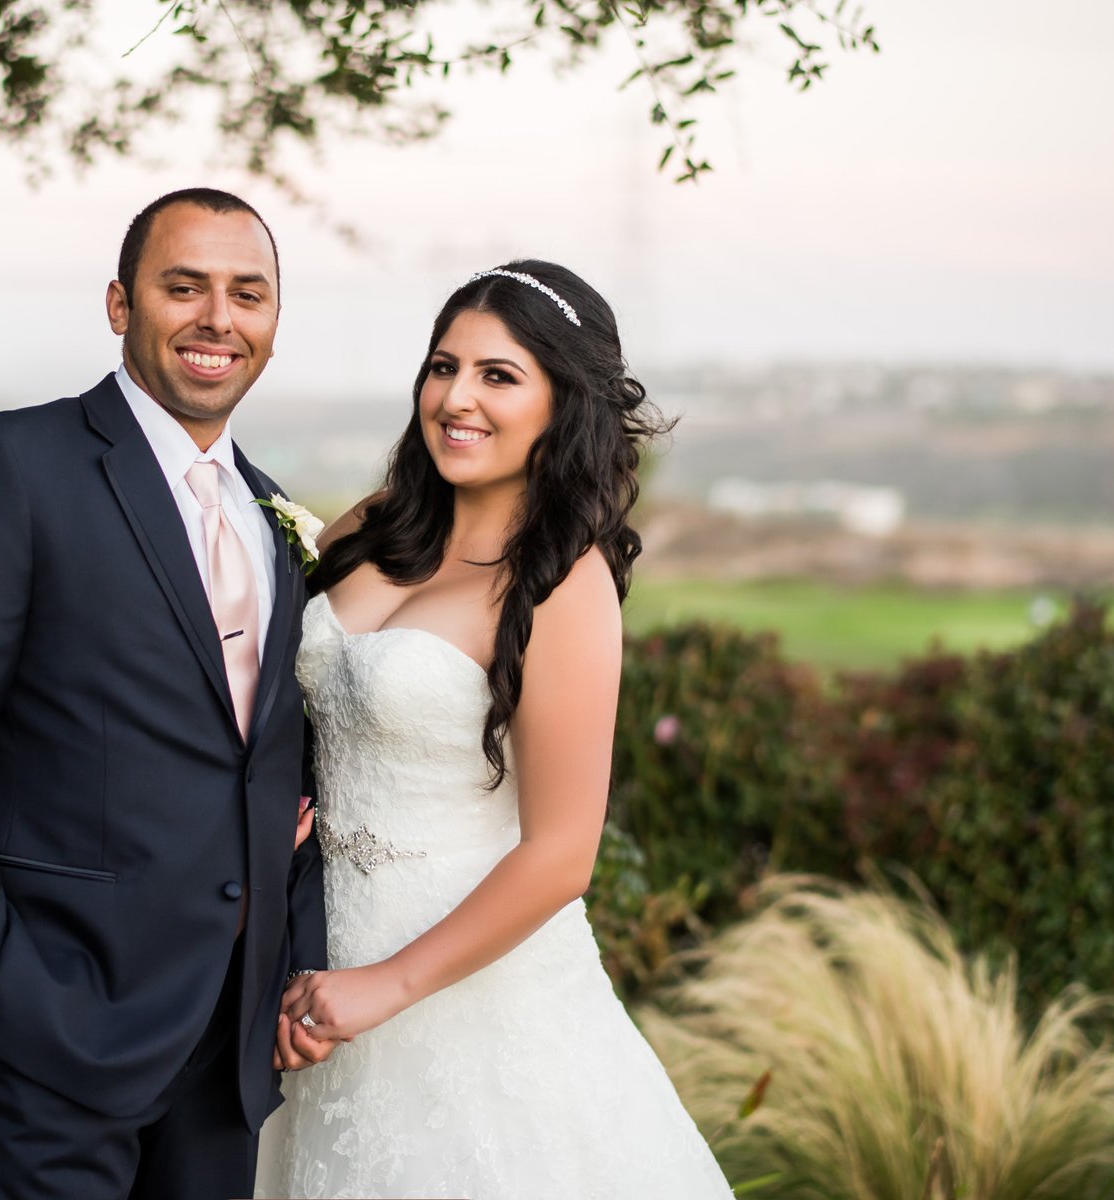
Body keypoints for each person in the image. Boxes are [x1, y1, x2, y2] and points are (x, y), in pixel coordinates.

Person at [0, 187, 331, 1200]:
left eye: (247, 294)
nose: (218, 318)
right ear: (121, 304)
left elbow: (271, 764)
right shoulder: (10, 466)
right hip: (52, 1020)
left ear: (273, 321)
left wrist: (294, 957)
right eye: (184, 287)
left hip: (228, 1041)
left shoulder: (273, 512)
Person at [257, 262, 735, 1197]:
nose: (456, 398)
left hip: (459, 979)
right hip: (311, 957)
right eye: (443, 367)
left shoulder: (563, 583)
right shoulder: (376, 525)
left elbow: (561, 855)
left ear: (563, 403)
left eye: (498, 376)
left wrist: (386, 984)